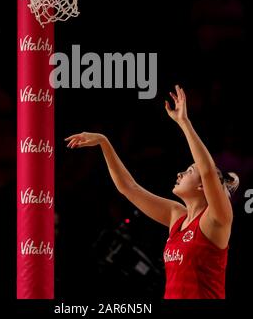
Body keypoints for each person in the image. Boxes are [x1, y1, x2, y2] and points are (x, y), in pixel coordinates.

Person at [65, 85, 239, 299]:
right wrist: (104, 143)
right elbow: (129, 188)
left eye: (189, 170)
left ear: (202, 185)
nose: (180, 173)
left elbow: (209, 171)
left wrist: (184, 123)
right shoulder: (177, 215)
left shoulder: (217, 218)